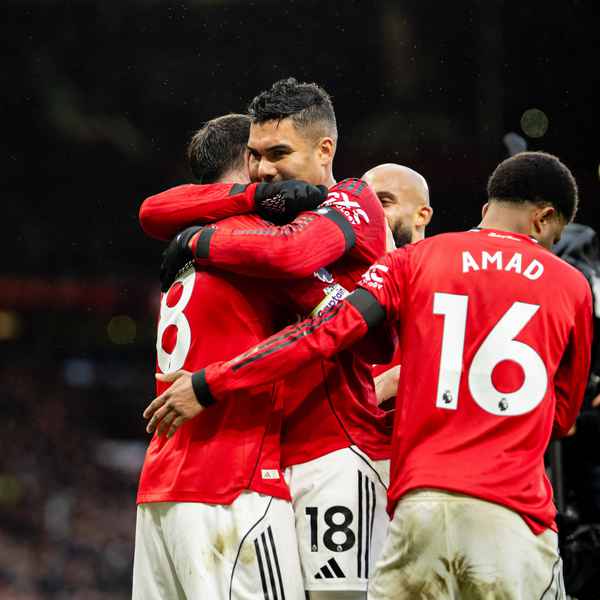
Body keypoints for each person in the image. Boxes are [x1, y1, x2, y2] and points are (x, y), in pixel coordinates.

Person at [147, 151, 592, 599]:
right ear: (544, 219)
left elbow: (322, 333)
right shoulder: (571, 285)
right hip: (513, 511)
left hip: (419, 503)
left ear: (486, 207)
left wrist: (211, 382)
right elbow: (562, 418)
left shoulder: (414, 261)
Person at [142, 78, 392, 599]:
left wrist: (198, 239)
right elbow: (151, 210)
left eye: (278, 154)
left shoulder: (351, 199)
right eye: (254, 157)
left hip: (332, 448)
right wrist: (253, 198)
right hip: (265, 456)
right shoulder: (260, 215)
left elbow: (292, 257)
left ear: (324, 150)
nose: (263, 169)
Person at [133, 113, 326, 600]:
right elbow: (340, 316)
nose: (274, 170)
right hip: (233, 484)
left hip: (161, 488)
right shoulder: (254, 241)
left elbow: (152, 210)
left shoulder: (189, 240)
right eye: (267, 154)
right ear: (249, 159)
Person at [362, 164, 432, 405]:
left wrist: (397, 378)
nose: (369, 213)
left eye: (383, 202)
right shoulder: (339, 279)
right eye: (364, 203)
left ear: (421, 215)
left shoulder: (446, 280)